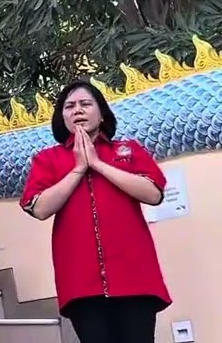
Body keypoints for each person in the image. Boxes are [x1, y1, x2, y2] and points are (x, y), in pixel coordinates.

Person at [20, 81, 170, 343]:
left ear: (102, 115)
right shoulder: (48, 159)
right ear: (62, 117)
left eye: (85, 104)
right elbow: (40, 208)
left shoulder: (127, 150)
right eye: (69, 106)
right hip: (80, 282)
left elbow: (153, 193)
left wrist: (98, 164)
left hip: (135, 276)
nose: (77, 110)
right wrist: (79, 168)